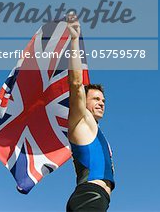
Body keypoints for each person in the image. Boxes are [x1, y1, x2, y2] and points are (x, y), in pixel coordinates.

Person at [66, 14, 115, 212]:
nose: (101, 103)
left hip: (98, 199)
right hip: (89, 196)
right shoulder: (80, 120)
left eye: (103, 100)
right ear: (83, 103)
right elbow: (76, 84)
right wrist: (75, 39)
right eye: (96, 99)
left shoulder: (96, 129)